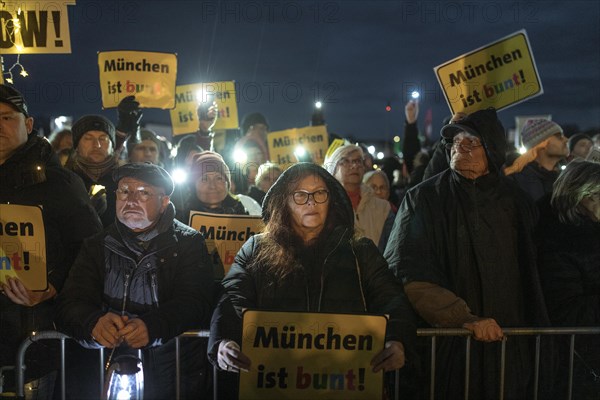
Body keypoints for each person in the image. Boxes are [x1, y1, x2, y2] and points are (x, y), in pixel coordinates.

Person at [208, 162, 416, 398]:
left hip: (344, 384)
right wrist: (224, 342)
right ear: (283, 201)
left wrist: (398, 340)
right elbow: (231, 299)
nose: (311, 202)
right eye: (300, 195)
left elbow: (391, 298)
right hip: (276, 385)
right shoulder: (256, 249)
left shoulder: (360, 251)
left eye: (319, 193)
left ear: (331, 200)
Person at [385, 108, 552, 400]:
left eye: (470, 142)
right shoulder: (423, 199)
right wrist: (462, 318)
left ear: (492, 149)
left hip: (511, 353)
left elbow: (539, 273)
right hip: (449, 353)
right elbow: (408, 272)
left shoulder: (517, 202)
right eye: (455, 142)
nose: (459, 148)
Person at [55, 162, 215, 399]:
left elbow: (195, 302)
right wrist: (92, 324)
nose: (131, 200)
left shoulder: (189, 244)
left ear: (164, 202)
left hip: (171, 376)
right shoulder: (96, 245)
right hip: (104, 374)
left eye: (143, 193)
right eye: (124, 191)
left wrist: (154, 327)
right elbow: (70, 302)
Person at [0, 84, 102, 396]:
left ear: (28, 125)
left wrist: (52, 285)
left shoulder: (59, 183)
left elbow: (90, 247)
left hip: (31, 339)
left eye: (6, 118)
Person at [537, 160, 600, 399]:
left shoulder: (588, 236)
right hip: (576, 364)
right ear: (585, 196)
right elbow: (567, 311)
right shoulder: (560, 245)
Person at [65, 96, 142, 227]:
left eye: (103, 139)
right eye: (88, 138)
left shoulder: (125, 182)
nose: (97, 145)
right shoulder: (65, 181)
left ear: (113, 146)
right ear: (77, 146)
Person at [178, 151, 249, 279]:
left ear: (228, 184)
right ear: (193, 186)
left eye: (219, 178)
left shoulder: (244, 217)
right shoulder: (181, 222)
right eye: (204, 179)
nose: (212, 186)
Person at [324, 144, 394, 253]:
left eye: (358, 161)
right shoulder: (325, 206)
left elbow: (393, 248)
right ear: (333, 169)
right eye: (346, 161)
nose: (354, 166)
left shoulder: (383, 208)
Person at [504, 119, 568, 202]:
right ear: (540, 144)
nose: (566, 140)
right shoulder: (517, 182)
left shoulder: (567, 175)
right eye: (559, 137)